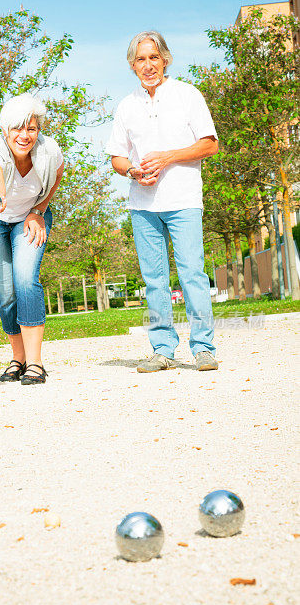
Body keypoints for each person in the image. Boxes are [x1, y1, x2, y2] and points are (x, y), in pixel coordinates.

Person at [106, 31, 219, 373]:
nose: (148, 65)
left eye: (154, 57)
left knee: (192, 275)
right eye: (141, 59)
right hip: (142, 207)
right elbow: (117, 158)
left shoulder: (187, 95)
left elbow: (210, 145)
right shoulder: (126, 106)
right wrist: (134, 172)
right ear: (132, 65)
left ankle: (203, 348)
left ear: (165, 59)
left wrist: (168, 157)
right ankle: (163, 349)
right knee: (154, 280)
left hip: (184, 201)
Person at [0, 93, 64, 385]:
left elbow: (57, 175)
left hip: (30, 217)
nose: (25, 135)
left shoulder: (50, 151)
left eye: (32, 128)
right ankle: (18, 358)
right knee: (7, 291)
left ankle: (35, 363)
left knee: (26, 279)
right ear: (5, 130)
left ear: (38, 130)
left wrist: (38, 210)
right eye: (17, 129)